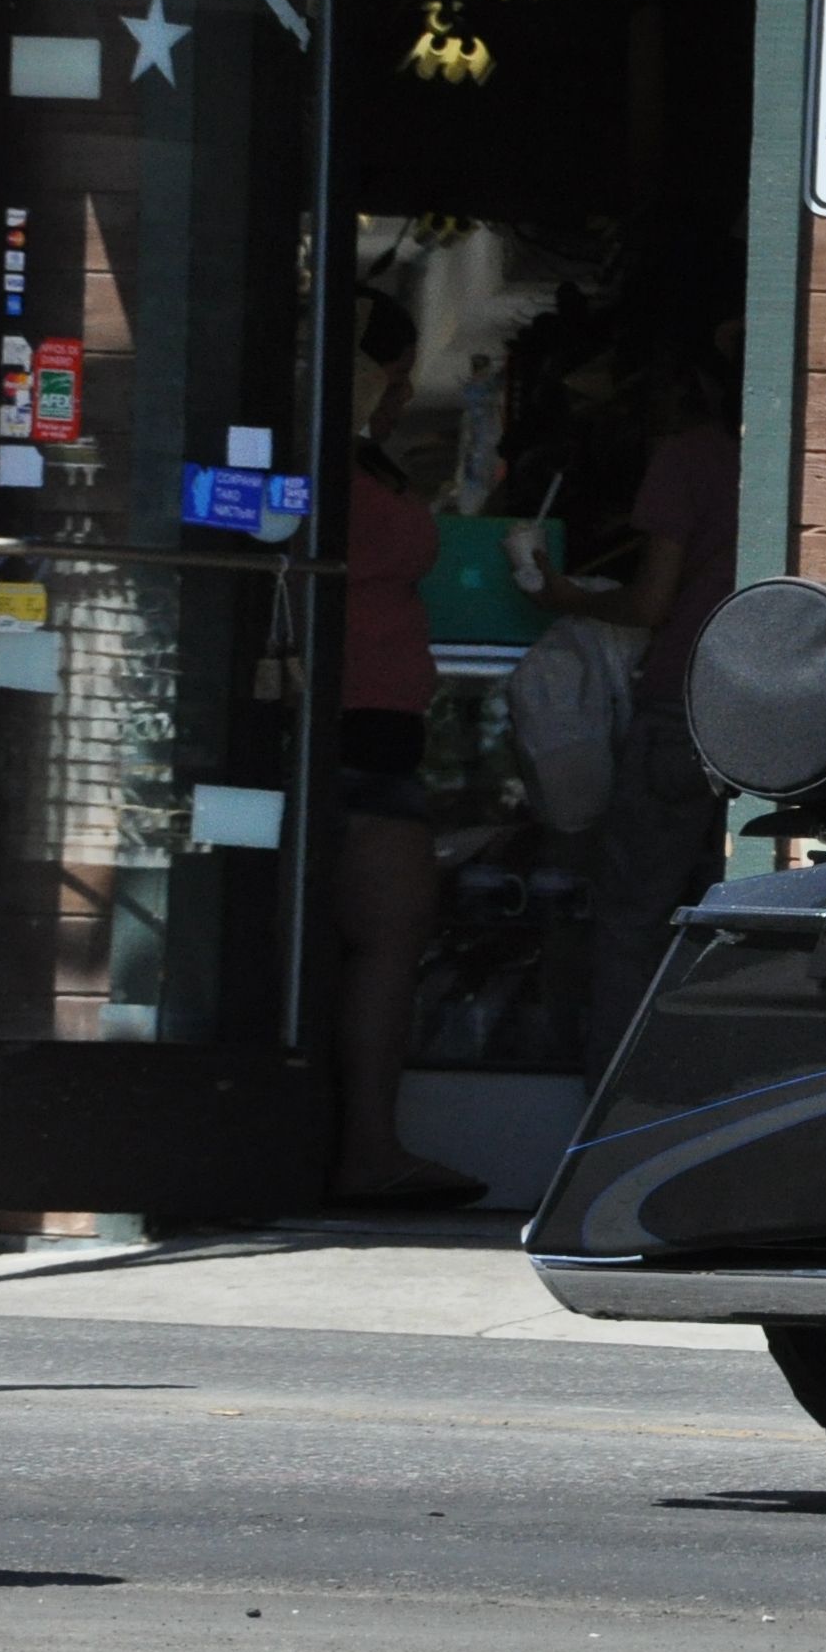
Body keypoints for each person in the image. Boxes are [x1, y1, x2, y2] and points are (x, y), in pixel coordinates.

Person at [523, 323, 739, 1065]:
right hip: (782, 721)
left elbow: (649, 605)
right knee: (750, 919)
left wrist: (563, 596)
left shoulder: (689, 458)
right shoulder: (807, 445)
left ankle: (615, 1123)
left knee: (631, 925)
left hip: (681, 709)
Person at [330, 291, 485, 1207]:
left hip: (375, 724)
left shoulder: (354, 457)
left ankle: (362, 1144)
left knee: (378, 934)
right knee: (389, 931)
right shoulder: (327, 455)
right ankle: (365, 1148)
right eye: (390, 375)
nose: (397, 394)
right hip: (347, 723)